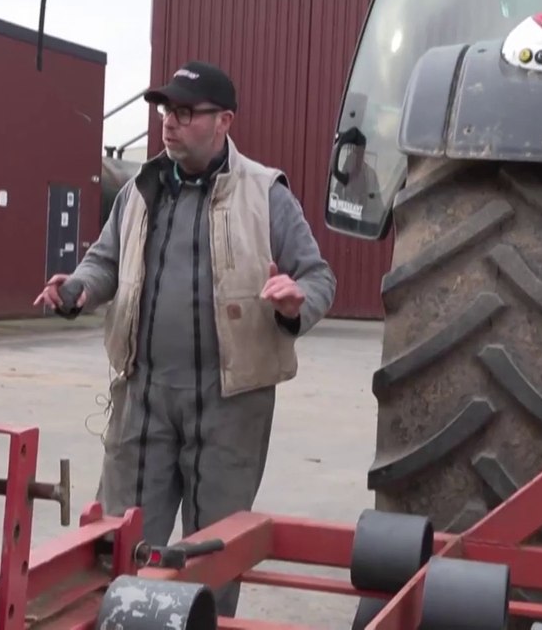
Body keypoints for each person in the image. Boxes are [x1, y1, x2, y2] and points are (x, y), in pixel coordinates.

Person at [34, 60, 337, 617]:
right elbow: (105, 261)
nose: (168, 123)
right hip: (143, 396)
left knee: (213, 553)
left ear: (224, 121)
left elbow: (318, 277)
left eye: (184, 112)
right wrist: (77, 288)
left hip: (230, 403)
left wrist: (297, 302)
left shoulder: (265, 193)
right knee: (123, 544)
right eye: (164, 112)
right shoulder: (139, 191)